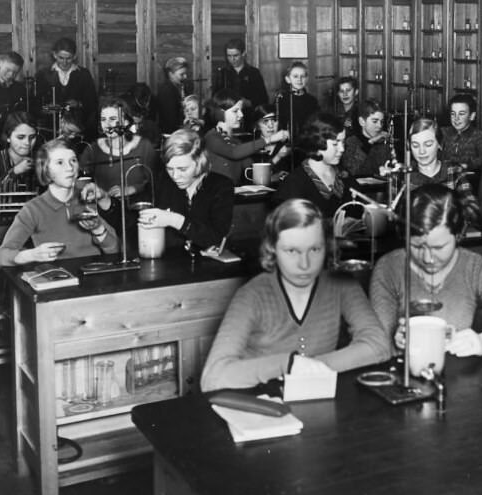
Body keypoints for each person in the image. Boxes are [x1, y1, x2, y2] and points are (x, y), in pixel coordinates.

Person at [200, 198, 389, 390]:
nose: (304, 264)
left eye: (314, 249)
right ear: (272, 248)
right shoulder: (251, 295)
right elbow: (213, 377)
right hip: (262, 408)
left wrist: (312, 368)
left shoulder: (341, 284)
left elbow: (378, 346)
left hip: (314, 403)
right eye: (292, 251)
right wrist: (288, 365)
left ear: (327, 246)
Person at [370, 184, 482, 358]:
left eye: (439, 247)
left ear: (458, 235)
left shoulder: (474, 268)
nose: (428, 258)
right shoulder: (388, 268)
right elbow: (377, 344)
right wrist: (396, 342)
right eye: (416, 246)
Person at [0, 138, 119, 267]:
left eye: (73, 160)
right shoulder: (33, 209)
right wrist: (31, 255)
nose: (70, 167)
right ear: (46, 170)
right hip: (59, 280)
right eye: (60, 162)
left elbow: (115, 250)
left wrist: (98, 229)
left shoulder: (86, 197)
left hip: (94, 277)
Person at [139, 128, 234, 254]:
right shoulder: (161, 182)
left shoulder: (221, 186)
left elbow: (216, 237)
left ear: (200, 161)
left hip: (206, 266)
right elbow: (132, 215)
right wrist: (108, 203)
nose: (175, 176)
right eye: (170, 169)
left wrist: (174, 220)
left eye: (182, 169)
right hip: (170, 264)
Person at [79, 97, 158, 206]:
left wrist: (132, 189)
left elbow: (156, 184)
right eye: (103, 119)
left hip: (137, 208)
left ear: (126, 121)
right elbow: (81, 183)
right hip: (104, 211)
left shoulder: (144, 147)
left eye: (112, 119)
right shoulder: (93, 150)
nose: (107, 124)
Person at [204, 89, 288, 184]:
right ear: (220, 113)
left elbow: (253, 171)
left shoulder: (235, 142)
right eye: (235, 111)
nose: (241, 115)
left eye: (241, 110)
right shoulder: (211, 137)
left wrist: (277, 157)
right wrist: (270, 139)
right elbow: (234, 153)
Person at [272, 113, 348, 218]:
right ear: (317, 143)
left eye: (343, 142)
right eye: (335, 144)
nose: (342, 149)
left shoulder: (344, 177)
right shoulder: (294, 184)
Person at [34, 37, 99, 139]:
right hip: (50, 129)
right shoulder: (42, 75)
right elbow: (35, 105)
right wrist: (48, 108)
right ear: (54, 55)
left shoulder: (83, 74)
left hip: (78, 128)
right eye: (61, 58)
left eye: (68, 58)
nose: (64, 62)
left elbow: (93, 103)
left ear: (74, 56)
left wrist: (78, 104)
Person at [0, 111, 39, 207]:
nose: (27, 143)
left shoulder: (38, 160)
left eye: (32, 137)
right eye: (21, 137)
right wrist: (14, 172)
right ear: (8, 137)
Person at [405, 117, 470, 195]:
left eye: (428, 145)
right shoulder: (404, 175)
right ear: (409, 146)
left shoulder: (455, 171)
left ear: (440, 144)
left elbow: (470, 204)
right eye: (415, 146)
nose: (421, 151)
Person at [340, 99, 392, 178]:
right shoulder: (351, 142)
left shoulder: (383, 143)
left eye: (381, 121)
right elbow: (353, 171)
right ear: (362, 121)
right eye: (375, 121)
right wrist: (370, 142)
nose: (379, 126)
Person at [215, 37, 268, 113]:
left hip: (249, 116)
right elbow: (215, 99)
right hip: (228, 116)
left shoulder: (254, 73)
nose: (232, 59)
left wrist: (249, 103)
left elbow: (264, 99)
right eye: (229, 56)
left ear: (243, 53)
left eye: (235, 55)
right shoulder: (222, 73)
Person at [441, 93, 482, 172]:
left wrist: (468, 165)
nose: (456, 118)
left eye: (461, 114)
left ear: (472, 116)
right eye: (453, 114)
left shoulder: (478, 135)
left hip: (468, 177)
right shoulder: (443, 132)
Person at [276, 61, 319, 133]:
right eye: (295, 76)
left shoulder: (312, 100)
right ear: (288, 79)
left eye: (302, 76)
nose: (299, 79)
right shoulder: (281, 99)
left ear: (307, 79)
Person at [251, 103, 292, 179]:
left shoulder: (286, 145)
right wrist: (278, 157)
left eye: (274, 120)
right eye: (265, 121)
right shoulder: (252, 146)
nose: (271, 125)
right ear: (257, 125)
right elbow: (257, 178)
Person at [155, 56, 194, 135]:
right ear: (171, 74)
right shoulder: (166, 91)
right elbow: (170, 121)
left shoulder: (180, 87)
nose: (185, 77)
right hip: (171, 134)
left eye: (186, 74)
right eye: (182, 74)